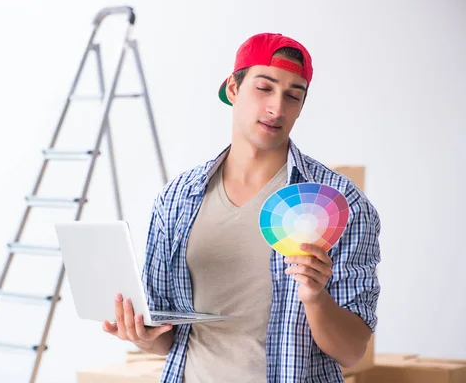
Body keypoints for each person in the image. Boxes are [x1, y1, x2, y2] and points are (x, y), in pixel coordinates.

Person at [102, 32, 381, 382]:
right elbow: (167, 337)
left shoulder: (339, 204)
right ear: (233, 89)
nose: (277, 108)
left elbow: (351, 350)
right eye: (264, 88)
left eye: (293, 96)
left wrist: (315, 297)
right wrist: (141, 336)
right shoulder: (177, 198)